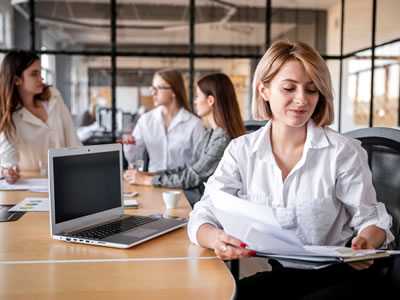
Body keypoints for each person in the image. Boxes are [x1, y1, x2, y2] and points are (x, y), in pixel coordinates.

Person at [187, 40, 394, 298]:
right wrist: (215, 238)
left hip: (338, 275)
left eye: (312, 90)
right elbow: (204, 212)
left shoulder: (342, 152)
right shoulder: (241, 151)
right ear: (264, 90)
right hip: (281, 276)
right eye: (289, 88)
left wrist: (366, 241)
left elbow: (372, 220)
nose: (302, 100)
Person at [124, 73, 246, 206]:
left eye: (198, 96)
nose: (195, 101)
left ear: (210, 101)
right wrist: (149, 175)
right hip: (201, 199)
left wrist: (148, 180)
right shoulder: (210, 133)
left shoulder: (222, 139)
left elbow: (194, 176)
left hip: (212, 204)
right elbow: (189, 167)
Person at [0, 50, 82, 183]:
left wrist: (84, 167)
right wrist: (8, 172)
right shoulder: (10, 115)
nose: (41, 78)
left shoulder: (53, 97)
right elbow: (8, 161)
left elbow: (72, 137)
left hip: (66, 178)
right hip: (32, 183)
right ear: (16, 80)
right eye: (34, 74)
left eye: (40, 72)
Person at [123, 69, 204, 172]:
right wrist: (130, 144)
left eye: (159, 88)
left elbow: (200, 164)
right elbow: (134, 158)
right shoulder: (146, 120)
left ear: (174, 92)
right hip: (151, 182)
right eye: (152, 88)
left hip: (182, 184)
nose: (153, 93)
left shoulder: (194, 124)